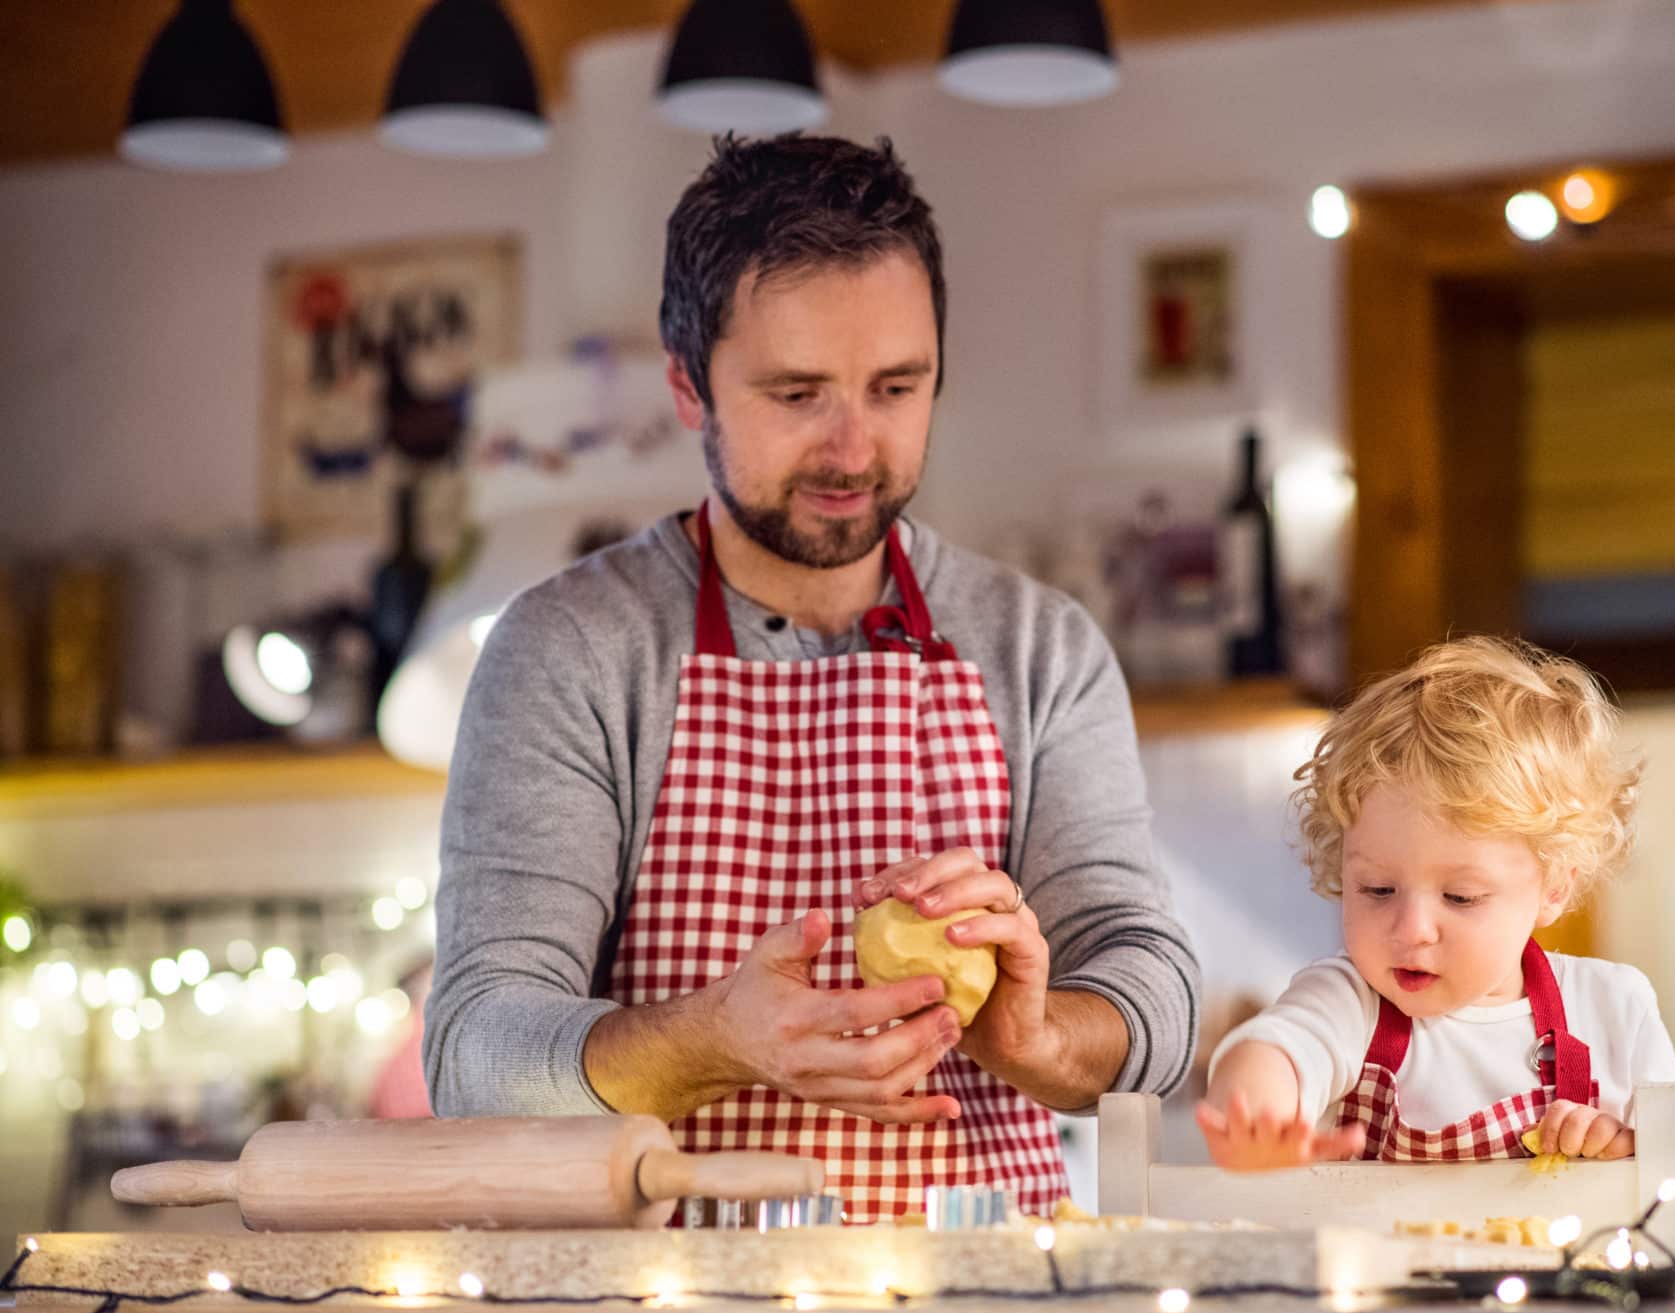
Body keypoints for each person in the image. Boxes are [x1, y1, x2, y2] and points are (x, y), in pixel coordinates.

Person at [424, 134, 1198, 1222]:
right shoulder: (572, 650)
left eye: (896, 386)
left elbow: (1152, 996)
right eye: (796, 394)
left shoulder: (1039, 647)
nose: (852, 448)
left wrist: (1038, 1037)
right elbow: (476, 1057)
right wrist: (713, 1041)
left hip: (977, 1306)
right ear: (688, 386)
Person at [1198, 636, 1675, 1238]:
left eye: (1460, 897)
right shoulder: (1349, 1001)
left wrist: (1631, 1158)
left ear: (1554, 886)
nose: (1412, 930)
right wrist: (1257, 1118)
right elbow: (1272, 1052)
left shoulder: (1611, 1008)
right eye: (1377, 890)